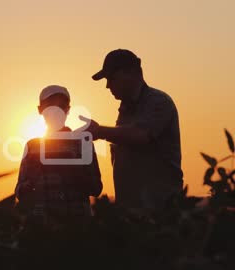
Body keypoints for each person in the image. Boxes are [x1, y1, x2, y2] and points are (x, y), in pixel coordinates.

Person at [84, 49, 183, 209]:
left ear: (131, 72)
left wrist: (99, 131)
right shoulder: (125, 111)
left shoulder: (158, 101)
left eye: (112, 78)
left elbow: (141, 135)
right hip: (132, 214)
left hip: (160, 212)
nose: (108, 85)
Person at [15, 85, 103, 223]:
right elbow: (20, 191)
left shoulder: (82, 143)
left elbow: (96, 188)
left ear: (68, 110)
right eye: (50, 106)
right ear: (40, 110)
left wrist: (73, 169)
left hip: (78, 224)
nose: (56, 111)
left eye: (61, 106)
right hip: (43, 225)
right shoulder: (32, 146)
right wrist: (35, 174)